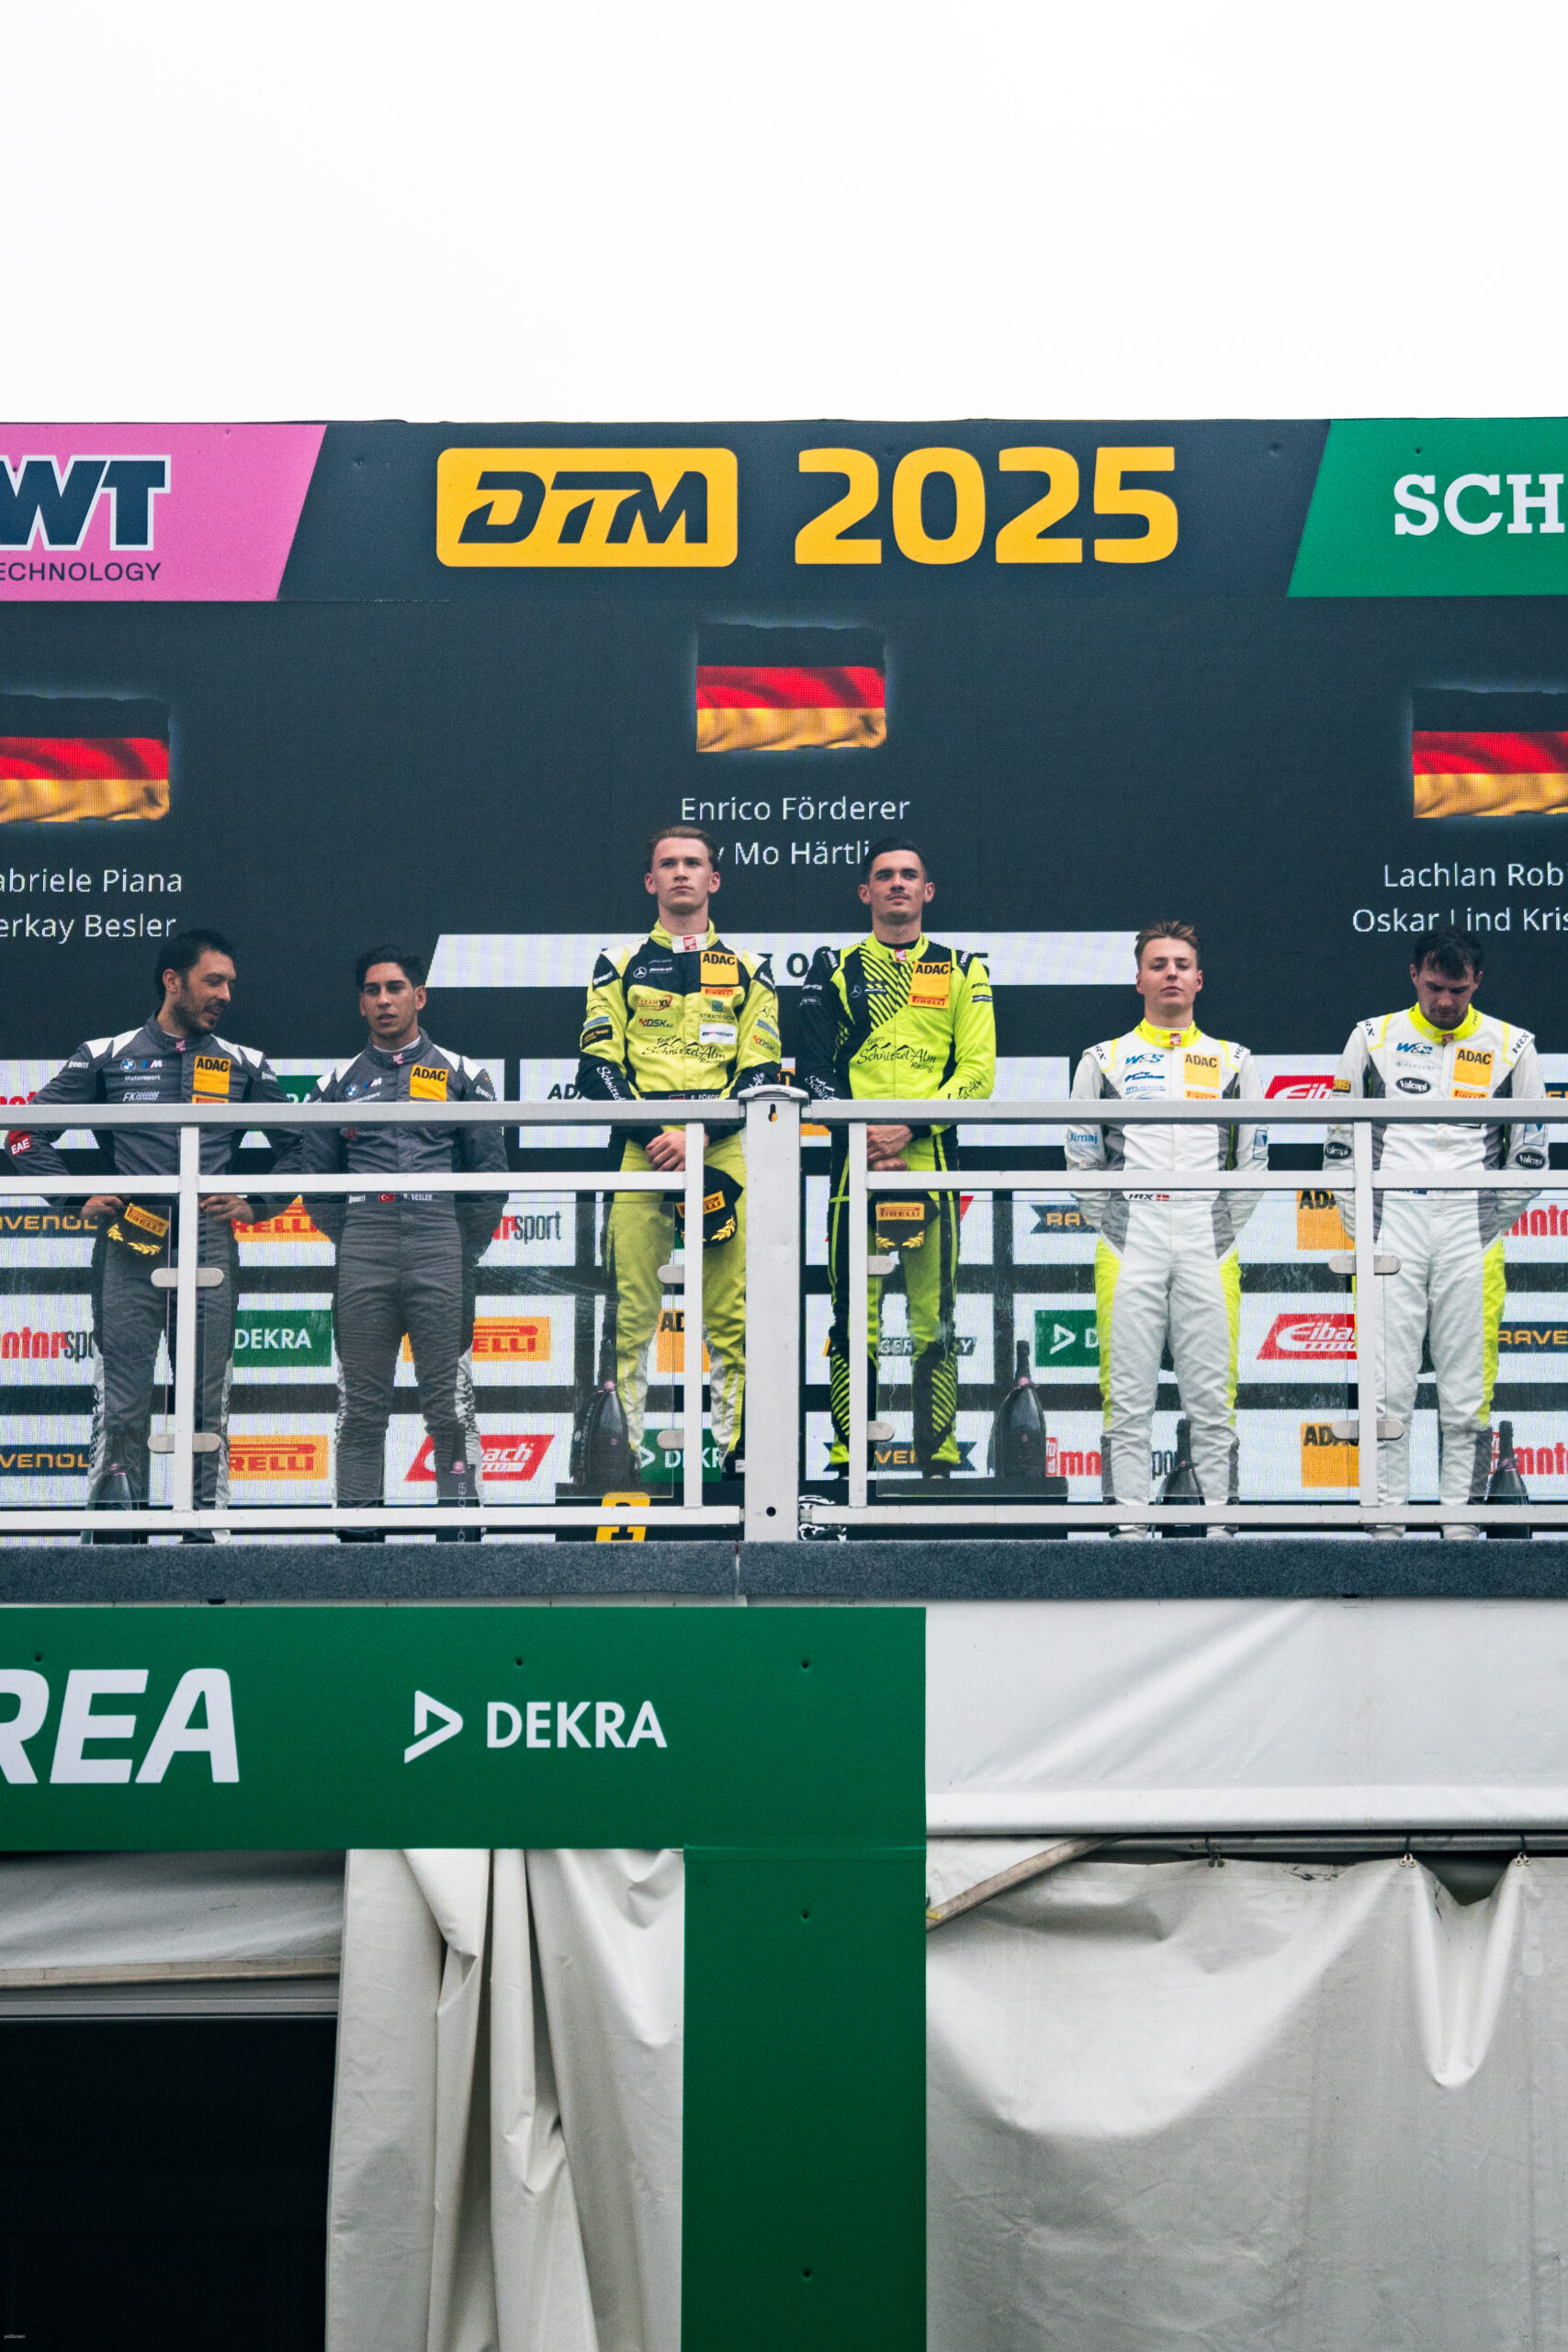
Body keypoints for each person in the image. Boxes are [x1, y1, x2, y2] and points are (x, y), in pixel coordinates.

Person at [5, 927, 301, 1535]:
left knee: (205, 1398)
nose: (225, 995)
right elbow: (23, 1133)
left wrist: (259, 1203)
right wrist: (72, 1196)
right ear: (173, 981)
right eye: (212, 981)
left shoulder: (245, 1063)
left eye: (230, 984)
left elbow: (302, 1148)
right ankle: (118, 1532)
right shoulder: (105, 1054)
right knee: (122, 1398)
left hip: (208, 1239)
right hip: (130, 1240)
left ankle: (204, 1528)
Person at [1325, 929, 1545, 1534]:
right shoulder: (1371, 1038)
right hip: (1391, 1222)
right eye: (1433, 987)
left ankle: (1460, 1527)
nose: (1444, 1001)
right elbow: (1338, 1150)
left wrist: (1483, 1221)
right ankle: (1385, 1526)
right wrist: (1368, 1227)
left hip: (1469, 1228)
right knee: (1385, 1389)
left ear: (1476, 982)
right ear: (1413, 975)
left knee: (1467, 1393)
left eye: (1457, 989)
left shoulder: (1512, 1046)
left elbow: (1530, 1156)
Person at [576, 822, 781, 1470]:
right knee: (631, 1311)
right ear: (651, 881)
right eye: (669, 864)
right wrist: (656, 1135)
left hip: (721, 1150)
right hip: (642, 1151)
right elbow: (596, 1067)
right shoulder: (617, 963)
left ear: (713, 879)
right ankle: (620, 1457)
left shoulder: (751, 969)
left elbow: (760, 1072)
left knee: (730, 1309)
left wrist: (697, 1136)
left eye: (694, 863)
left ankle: (739, 1459)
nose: (682, 873)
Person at [797, 837, 995, 1480]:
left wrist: (905, 1126)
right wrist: (866, 1131)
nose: (897, 884)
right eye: (884, 876)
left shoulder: (962, 968)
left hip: (929, 1159)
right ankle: (847, 1455)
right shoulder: (834, 968)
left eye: (909, 875)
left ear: (927, 891)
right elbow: (813, 1070)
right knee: (852, 1315)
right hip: (853, 1163)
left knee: (934, 1317)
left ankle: (938, 1458)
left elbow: (977, 1075)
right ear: (866, 893)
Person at [302, 947, 509, 1540]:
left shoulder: (465, 1074)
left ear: (419, 996)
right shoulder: (336, 1083)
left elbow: (490, 1177)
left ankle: (460, 1538)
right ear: (361, 1003)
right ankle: (359, 1544)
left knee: (449, 1404)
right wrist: (356, 1234)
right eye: (372, 991)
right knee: (361, 1408)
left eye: (395, 988)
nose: (384, 1000)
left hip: (440, 1243)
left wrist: (457, 1244)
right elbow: (316, 1185)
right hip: (364, 1244)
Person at [1066, 922, 1265, 1528]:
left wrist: (1219, 1227)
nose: (1171, 973)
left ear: (1199, 980)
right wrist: (1119, 1225)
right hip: (1131, 1243)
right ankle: (1127, 1528)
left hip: (1208, 1244)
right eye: (1158, 965)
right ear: (1139, 980)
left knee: (1213, 1401)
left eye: (1181, 964)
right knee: (1126, 1400)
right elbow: (1082, 1159)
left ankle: (1220, 1524)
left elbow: (1252, 1162)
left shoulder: (1234, 1060)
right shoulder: (1102, 1059)